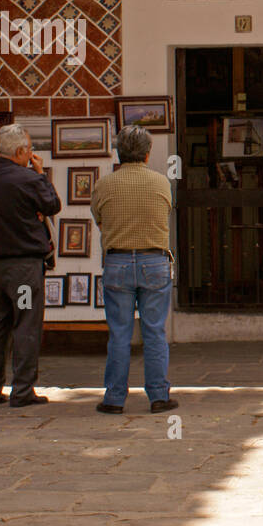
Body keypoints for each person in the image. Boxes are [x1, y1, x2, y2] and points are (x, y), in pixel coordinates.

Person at [0, 123, 61, 408]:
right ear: (22, 151)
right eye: (30, 150)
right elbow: (52, 205)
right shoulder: (27, 179)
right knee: (25, 325)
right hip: (22, 268)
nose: (31, 154)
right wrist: (40, 173)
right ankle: (22, 390)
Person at [90, 125, 176, 414]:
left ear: (118, 153)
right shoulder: (161, 183)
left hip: (118, 262)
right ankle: (159, 396)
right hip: (154, 262)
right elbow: (164, 213)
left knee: (119, 334)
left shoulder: (104, 185)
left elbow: (100, 220)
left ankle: (114, 398)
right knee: (154, 332)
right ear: (148, 153)